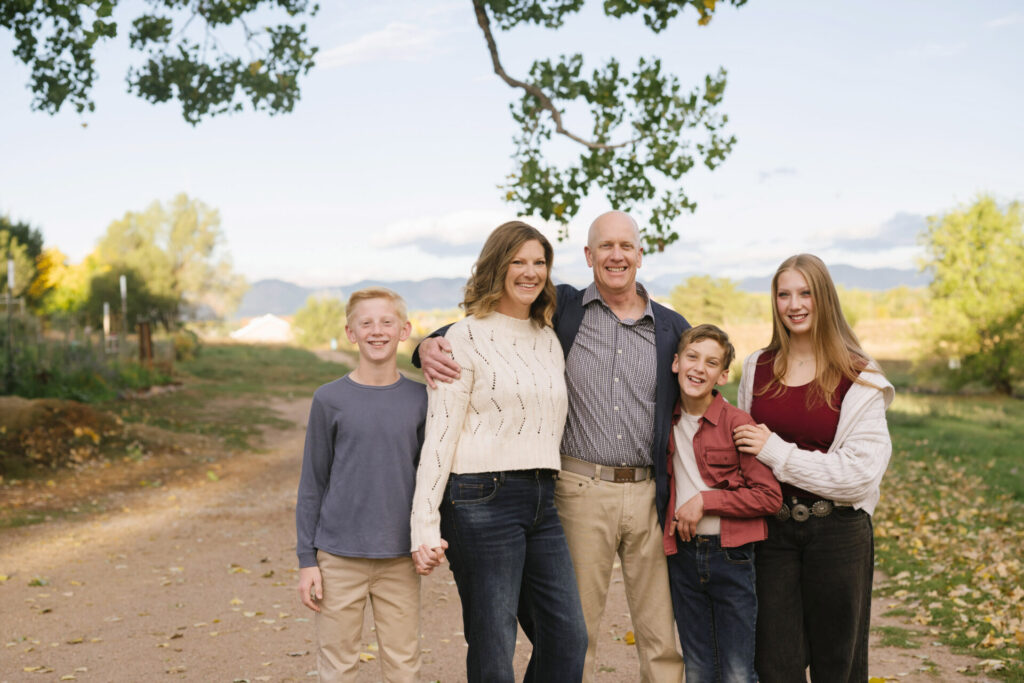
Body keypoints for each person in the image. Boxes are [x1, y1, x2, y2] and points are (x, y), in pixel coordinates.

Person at [419, 211, 688, 682]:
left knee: (613, 637)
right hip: (540, 492)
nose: (616, 255)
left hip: (607, 493)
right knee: (524, 635)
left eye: (626, 246)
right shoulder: (563, 311)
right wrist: (426, 343)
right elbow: (470, 347)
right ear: (588, 256)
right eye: (605, 246)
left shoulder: (661, 327)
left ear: (641, 254)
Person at [409, 220, 587, 683]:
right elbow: (441, 433)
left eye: (539, 263)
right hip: (479, 498)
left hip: (542, 498)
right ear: (497, 266)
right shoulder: (463, 337)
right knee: (494, 645)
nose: (530, 272)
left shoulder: (547, 337)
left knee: (567, 636)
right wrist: (424, 525)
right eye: (518, 262)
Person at [732, 254, 895, 682]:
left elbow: (859, 474)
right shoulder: (757, 367)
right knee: (774, 664)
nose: (794, 304)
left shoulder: (861, 375)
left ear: (824, 298)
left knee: (836, 665)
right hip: (773, 532)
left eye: (805, 293)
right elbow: (746, 449)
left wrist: (776, 453)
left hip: (838, 531)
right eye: (783, 294)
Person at [295, 287, 427, 683]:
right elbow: (312, 483)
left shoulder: (422, 400)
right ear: (351, 333)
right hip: (338, 557)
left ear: (404, 330)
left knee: (404, 666)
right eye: (365, 323)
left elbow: (431, 479)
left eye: (386, 322)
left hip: (400, 557)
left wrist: (428, 538)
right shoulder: (329, 399)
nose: (377, 331)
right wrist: (307, 561)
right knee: (337, 668)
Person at [662, 324, 782, 683]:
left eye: (711, 362)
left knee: (736, 671)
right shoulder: (663, 420)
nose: (699, 368)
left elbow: (769, 497)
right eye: (692, 357)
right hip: (682, 553)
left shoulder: (737, 423)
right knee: (698, 668)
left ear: (724, 375)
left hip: (731, 555)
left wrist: (706, 501)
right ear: (675, 362)